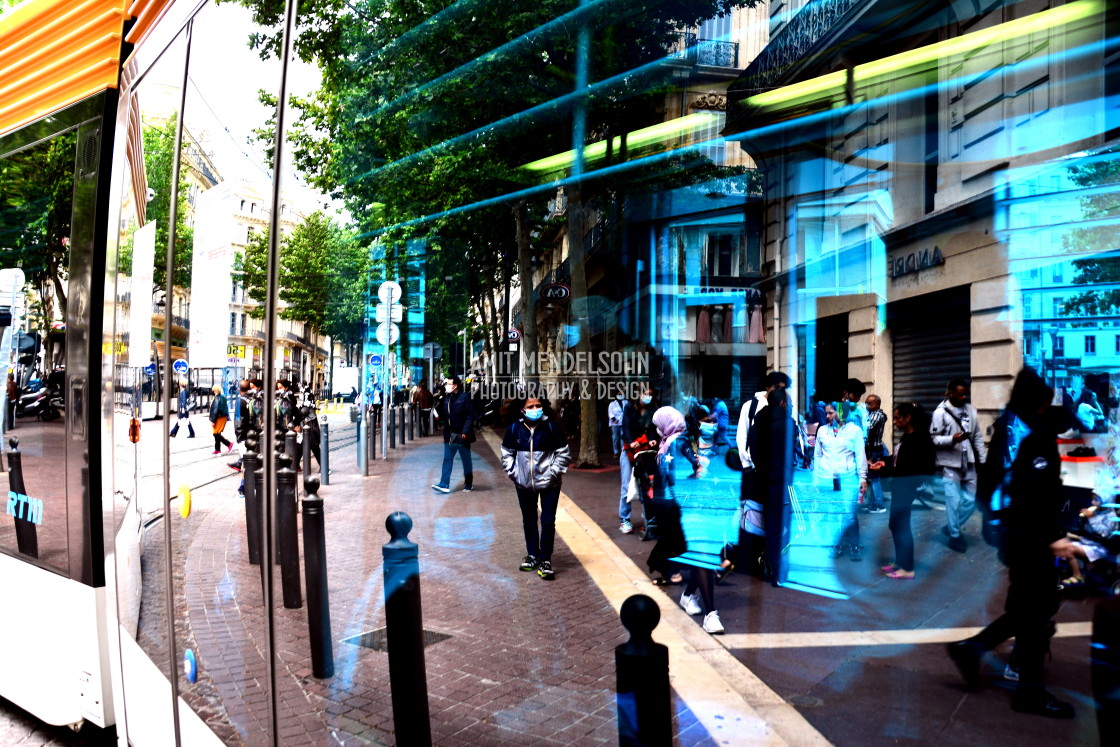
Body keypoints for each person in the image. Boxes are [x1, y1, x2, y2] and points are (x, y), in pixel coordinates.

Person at [947, 367, 1082, 718]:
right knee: (1035, 613)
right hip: (1027, 537)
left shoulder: (1019, 425)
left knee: (1026, 609)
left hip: (1017, 533)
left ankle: (970, 650)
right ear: (1039, 403)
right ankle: (1029, 694)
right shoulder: (1029, 436)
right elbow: (1028, 497)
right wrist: (1054, 538)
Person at [646, 407, 725, 635]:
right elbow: (687, 475)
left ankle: (691, 597)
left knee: (702, 556)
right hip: (682, 511)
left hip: (684, 510)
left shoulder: (670, 444)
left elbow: (691, 472)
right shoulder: (673, 444)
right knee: (702, 556)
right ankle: (709, 613)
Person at [501, 397, 571, 580]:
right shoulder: (515, 429)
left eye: (538, 406)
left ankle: (545, 559)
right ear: (523, 410)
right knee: (529, 519)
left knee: (548, 521)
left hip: (550, 484)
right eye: (530, 406)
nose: (535, 409)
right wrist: (514, 473)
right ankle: (532, 554)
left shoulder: (551, 428)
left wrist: (552, 474)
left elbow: (563, 453)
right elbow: (507, 453)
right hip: (523, 484)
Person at [874, 402, 935, 579]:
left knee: (901, 526)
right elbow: (898, 460)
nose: (894, 421)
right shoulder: (908, 437)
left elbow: (906, 468)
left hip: (906, 487)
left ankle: (907, 569)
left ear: (908, 418)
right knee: (896, 525)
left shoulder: (917, 439)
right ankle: (900, 562)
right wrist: (884, 462)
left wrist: (883, 469)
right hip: (900, 487)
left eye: (897, 417)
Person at [932, 378, 987, 553]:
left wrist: (983, 461)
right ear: (950, 393)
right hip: (950, 463)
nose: (964, 397)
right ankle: (955, 535)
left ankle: (951, 526)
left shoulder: (971, 410)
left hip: (969, 461)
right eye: (960, 393)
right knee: (953, 501)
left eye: (965, 393)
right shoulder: (940, 413)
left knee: (971, 500)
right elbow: (933, 439)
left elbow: (977, 436)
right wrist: (951, 439)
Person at [748, 387, 795, 584]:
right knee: (781, 525)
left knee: (763, 521)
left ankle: (763, 561)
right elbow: (791, 455)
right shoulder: (787, 423)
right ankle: (776, 569)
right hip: (780, 481)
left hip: (761, 478)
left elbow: (753, 450)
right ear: (783, 403)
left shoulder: (757, 422)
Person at [815, 401, 867, 561]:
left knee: (849, 514)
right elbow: (817, 455)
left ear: (841, 413)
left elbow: (860, 455)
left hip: (847, 478)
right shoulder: (822, 430)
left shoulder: (855, 431)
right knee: (831, 513)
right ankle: (835, 545)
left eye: (831, 413)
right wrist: (817, 476)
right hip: (828, 479)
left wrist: (863, 477)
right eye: (827, 413)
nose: (827, 416)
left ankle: (854, 545)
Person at [432, 375, 477, 493]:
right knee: (447, 458)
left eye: (449, 384)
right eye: (446, 384)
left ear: (456, 385)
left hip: (462, 434)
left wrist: (465, 431)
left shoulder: (464, 397)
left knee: (465, 459)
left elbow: (470, 415)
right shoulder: (447, 398)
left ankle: (468, 483)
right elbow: (444, 414)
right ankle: (444, 484)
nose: (447, 386)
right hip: (449, 434)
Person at [863, 394, 889, 513]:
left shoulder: (877, 415)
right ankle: (872, 504)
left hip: (874, 449)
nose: (866, 405)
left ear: (877, 404)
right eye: (866, 403)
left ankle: (879, 504)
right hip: (870, 449)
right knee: (870, 477)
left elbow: (867, 428)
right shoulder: (871, 414)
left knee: (874, 478)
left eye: (869, 403)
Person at [228, 379, 261, 472]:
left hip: (244, 432)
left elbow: (239, 420)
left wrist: (238, 435)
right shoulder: (253, 399)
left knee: (247, 454)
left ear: (239, 389)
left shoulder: (240, 401)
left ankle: (245, 477)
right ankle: (239, 463)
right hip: (253, 429)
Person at [209, 385, 234, 454]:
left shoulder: (217, 398)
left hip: (219, 417)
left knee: (215, 433)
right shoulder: (222, 397)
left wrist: (213, 420)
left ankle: (229, 444)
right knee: (217, 433)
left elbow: (216, 410)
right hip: (222, 417)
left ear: (214, 390)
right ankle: (217, 449)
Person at [608, 392, 626, 460]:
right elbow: (610, 413)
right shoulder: (612, 404)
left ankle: (622, 451)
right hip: (615, 423)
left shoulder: (625, 402)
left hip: (623, 423)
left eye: (621, 394)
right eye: (618, 394)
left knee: (622, 437)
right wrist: (614, 419)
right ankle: (615, 451)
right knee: (615, 438)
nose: (620, 395)